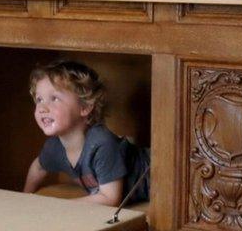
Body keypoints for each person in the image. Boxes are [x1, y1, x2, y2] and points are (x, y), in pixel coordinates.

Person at [22, 60, 149, 207]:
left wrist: (59, 207)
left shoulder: (102, 143)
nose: (42, 108)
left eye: (54, 98)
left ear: (85, 107)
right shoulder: (54, 147)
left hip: (161, 175)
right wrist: (25, 198)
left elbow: (110, 198)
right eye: (39, 99)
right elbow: (38, 167)